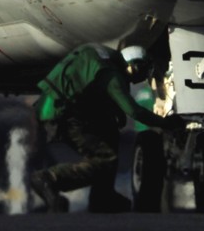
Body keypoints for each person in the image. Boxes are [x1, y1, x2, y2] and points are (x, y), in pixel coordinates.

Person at [29, 43, 193, 213]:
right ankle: (50, 178)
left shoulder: (106, 58)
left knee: (109, 133)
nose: (144, 76)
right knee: (105, 159)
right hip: (63, 114)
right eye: (143, 70)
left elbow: (88, 88)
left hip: (62, 109)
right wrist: (167, 122)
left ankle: (102, 196)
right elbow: (134, 111)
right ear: (133, 67)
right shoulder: (111, 75)